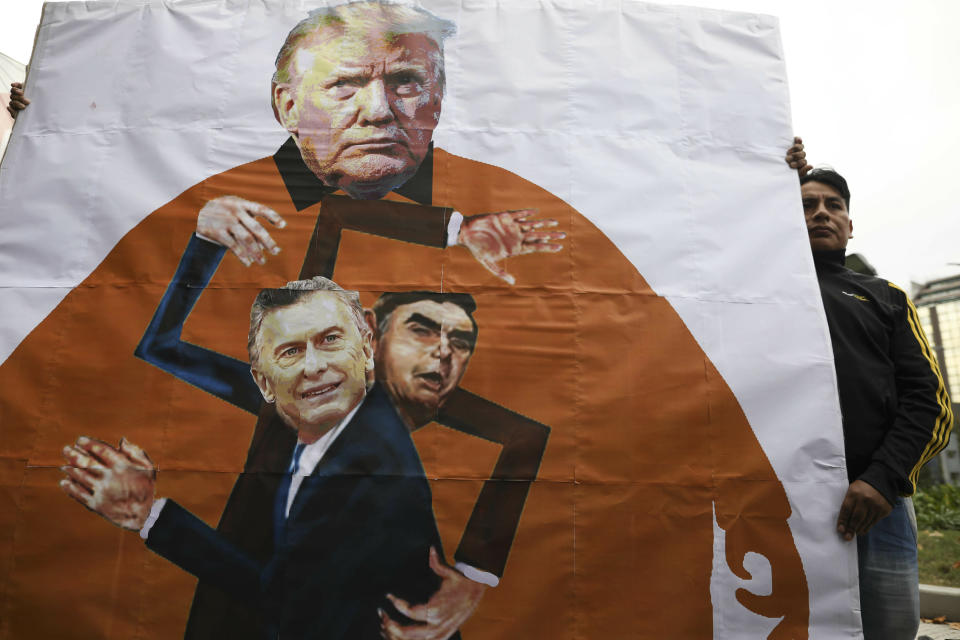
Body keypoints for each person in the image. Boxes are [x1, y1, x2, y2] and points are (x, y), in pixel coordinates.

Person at [7, 2, 812, 637]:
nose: (379, 110)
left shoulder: (384, 403)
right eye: (347, 86)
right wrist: (60, 142)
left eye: (405, 84)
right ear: (287, 104)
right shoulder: (230, 212)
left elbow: (634, 390)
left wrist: (745, 176)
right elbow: (140, 338)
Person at [61, 277, 455, 639]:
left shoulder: (371, 461)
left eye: (331, 339)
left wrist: (149, 515)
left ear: (367, 345)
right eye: (291, 351)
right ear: (265, 382)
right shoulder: (307, 415)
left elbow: (291, 604)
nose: (314, 366)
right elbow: (160, 345)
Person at [786, 140, 954, 639]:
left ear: (850, 224)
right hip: (781, 502)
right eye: (806, 205)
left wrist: (882, 478)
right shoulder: (761, 289)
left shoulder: (887, 297)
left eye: (833, 206)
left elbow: (932, 404)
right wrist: (768, 170)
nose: (821, 213)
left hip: (877, 508)